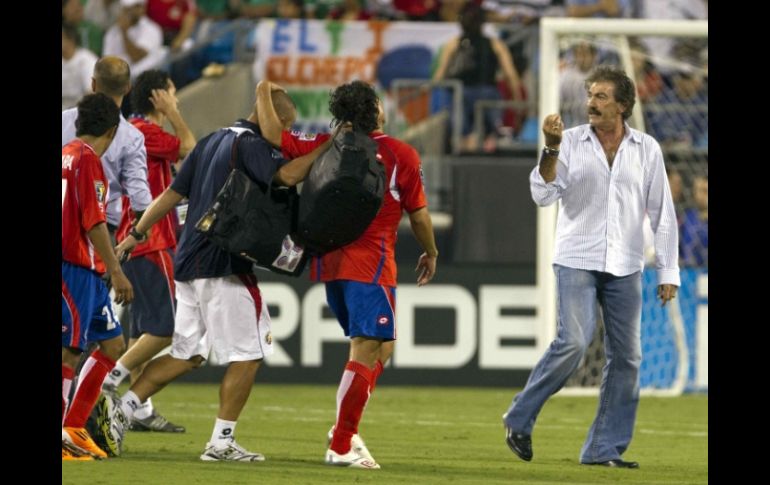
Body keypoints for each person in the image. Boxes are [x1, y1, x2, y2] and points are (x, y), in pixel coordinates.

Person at [106, 84, 331, 461]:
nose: (285, 134)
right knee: (249, 356)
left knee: (187, 354)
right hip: (223, 263)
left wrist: (136, 234)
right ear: (269, 116)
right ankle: (221, 442)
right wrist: (326, 148)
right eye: (285, 124)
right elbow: (288, 177)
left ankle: (122, 410)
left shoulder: (212, 140)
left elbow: (172, 195)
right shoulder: (252, 145)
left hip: (188, 261)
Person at [502, 66, 680, 468]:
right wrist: (550, 148)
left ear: (623, 105)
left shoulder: (647, 149)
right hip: (577, 259)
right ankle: (519, 417)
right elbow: (543, 194)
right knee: (574, 341)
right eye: (590, 95)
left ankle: (603, 449)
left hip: (626, 264)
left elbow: (662, 215)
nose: (591, 103)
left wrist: (668, 272)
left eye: (601, 96)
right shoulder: (569, 142)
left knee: (629, 358)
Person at [258, 80, 439, 469]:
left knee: (381, 346)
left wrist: (262, 91)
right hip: (370, 265)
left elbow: (275, 135)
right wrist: (431, 251)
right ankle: (341, 442)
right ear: (374, 110)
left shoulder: (324, 141)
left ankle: (344, 425)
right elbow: (419, 215)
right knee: (367, 345)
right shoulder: (399, 153)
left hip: (329, 262)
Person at [100, 69, 196, 433]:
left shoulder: (130, 131)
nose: (176, 97)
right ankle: (108, 379)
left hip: (133, 241)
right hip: (149, 241)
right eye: (171, 93)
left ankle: (139, 410)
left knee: (144, 332)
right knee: (168, 327)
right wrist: (172, 113)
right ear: (158, 96)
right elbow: (189, 146)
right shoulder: (144, 129)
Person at [62, 93, 135, 460]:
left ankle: (73, 427)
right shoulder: (88, 160)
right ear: (111, 129)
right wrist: (118, 271)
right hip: (74, 267)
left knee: (112, 345)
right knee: (70, 351)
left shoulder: (66, 154)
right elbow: (94, 221)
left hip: (85, 270)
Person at [62, 56, 152, 237]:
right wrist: (143, 228)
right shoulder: (132, 138)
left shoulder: (64, 120)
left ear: (94, 84)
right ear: (128, 88)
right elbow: (139, 196)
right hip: (101, 230)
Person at [432, 2, 522, 152]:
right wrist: (517, 98)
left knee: (463, 136)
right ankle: (487, 147)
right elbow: (510, 75)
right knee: (491, 135)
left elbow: (439, 76)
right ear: (482, 23)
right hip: (484, 93)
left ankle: (465, 155)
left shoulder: (453, 44)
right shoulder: (495, 44)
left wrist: (435, 91)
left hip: (464, 94)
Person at [679, 175, 707, 267]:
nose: (700, 195)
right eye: (697, 190)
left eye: (705, 191)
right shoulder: (686, 218)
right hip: (688, 271)